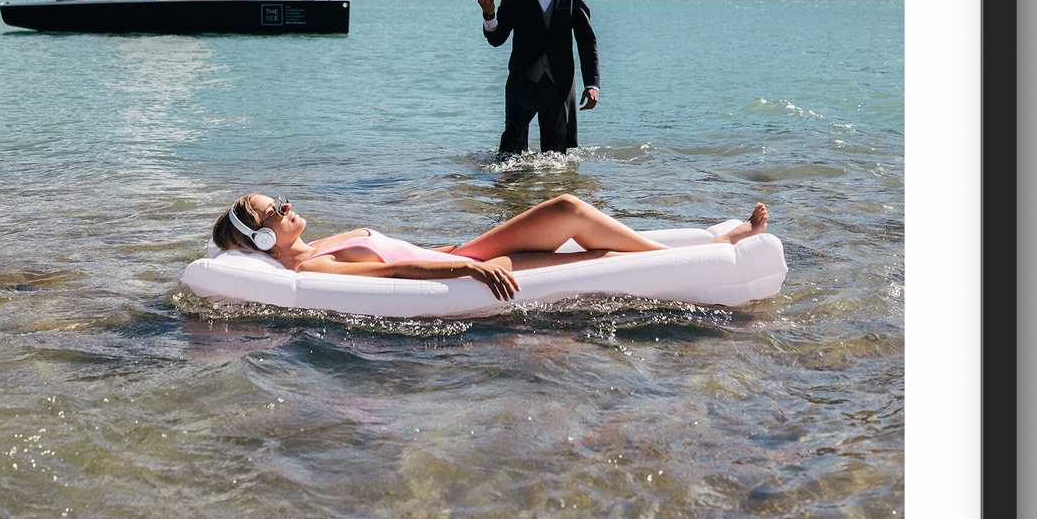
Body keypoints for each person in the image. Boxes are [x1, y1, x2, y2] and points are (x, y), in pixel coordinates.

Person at [210, 191, 770, 301]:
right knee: (574, 221)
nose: (285, 205)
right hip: (466, 266)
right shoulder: (315, 268)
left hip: (463, 250)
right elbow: (393, 273)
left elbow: (401, 249)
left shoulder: (317, 243)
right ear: (261, 237)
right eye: (272, 211)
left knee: (573, 219)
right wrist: (470, 273)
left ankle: (711, 241)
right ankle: (717, 246)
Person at [476, 0, 599, 154]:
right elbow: (497, 39)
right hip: (522, 83)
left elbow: (586, 41)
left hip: (559, 85)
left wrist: (592, 84)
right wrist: (489, 13)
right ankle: (510, 190)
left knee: (558, 159)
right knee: (509, 155)